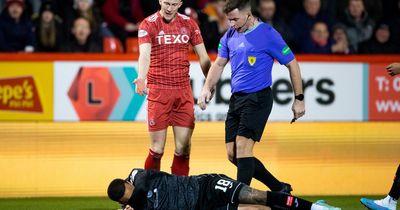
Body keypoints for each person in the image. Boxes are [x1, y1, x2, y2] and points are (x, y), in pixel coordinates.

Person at [198, 0, 305, 193]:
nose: (231, 24)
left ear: (248, 14)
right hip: (236, 99)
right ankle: (278, 187)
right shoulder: (230, 34)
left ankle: (240, 198)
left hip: (258, 98)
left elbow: (292, 64)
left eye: (235, 19)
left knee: (243, 147)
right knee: (233, 154)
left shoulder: (268, 34)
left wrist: (299, 98)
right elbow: (219, 64)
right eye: (228, 20)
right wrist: (206, 88)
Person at [133, 0, 211, 176]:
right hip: (158, 91)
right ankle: (151, 195)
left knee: (184, 149)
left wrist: (210, 83)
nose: (169, 8)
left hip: (183, 92)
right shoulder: (148, 23)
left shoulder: (189, 24)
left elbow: (204, 57)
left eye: (174, 4)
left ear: (181, 3)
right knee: (157, 149)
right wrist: (141, 77)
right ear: (160, 1)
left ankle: (179, 196)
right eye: (166, 3)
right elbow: (144, 55)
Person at [107, 168, 342, 210]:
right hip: (202, 208)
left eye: (130, 190)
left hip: (206, 186)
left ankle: (315, 208)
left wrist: (134, 205)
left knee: (257, 196)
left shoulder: (139, 176)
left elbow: (139, 191)